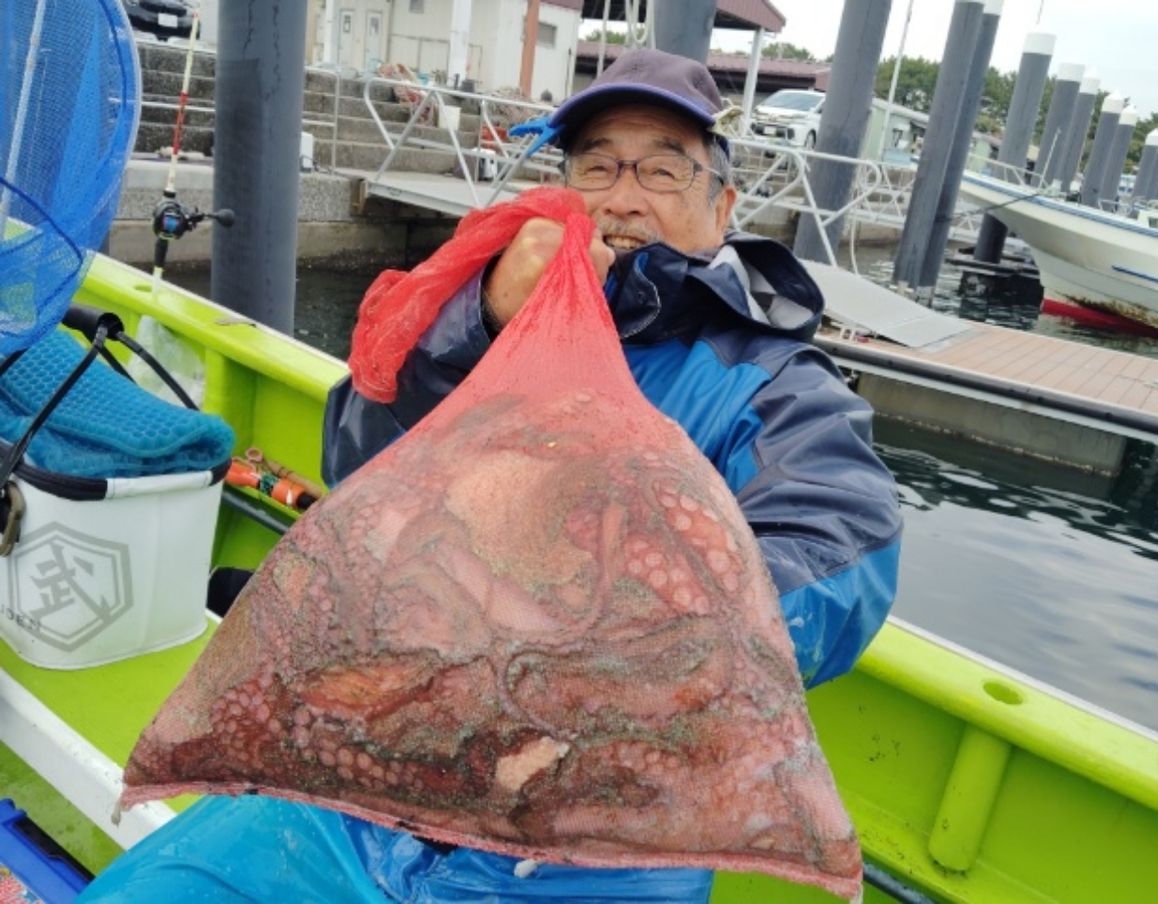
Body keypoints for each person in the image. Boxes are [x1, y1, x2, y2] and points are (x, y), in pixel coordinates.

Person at [79, 48, 901, 903]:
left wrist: (612, 646)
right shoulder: (481, 317)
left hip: (602, 827)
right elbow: (356, 462)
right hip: (375, 774)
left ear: (721, 205)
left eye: (663, 170)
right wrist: (476, 324)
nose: (623, 197)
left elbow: (842, 554)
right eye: (597, 166)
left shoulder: (772, 382)